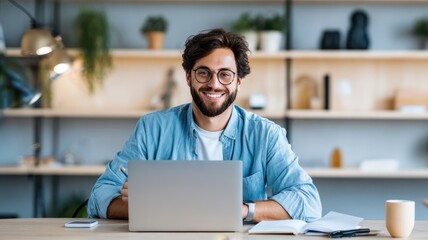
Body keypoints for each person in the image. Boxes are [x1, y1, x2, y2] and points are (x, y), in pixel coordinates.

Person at [87, 28, 322, 222]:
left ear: (239, 82)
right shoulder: (153, 129)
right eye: (204, 73)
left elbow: (308, 202)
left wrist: (242, 210)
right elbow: (100, 195)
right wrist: (147, 207)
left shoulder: (265, 134)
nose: (214, 84)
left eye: (225, 75)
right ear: (188, 76)